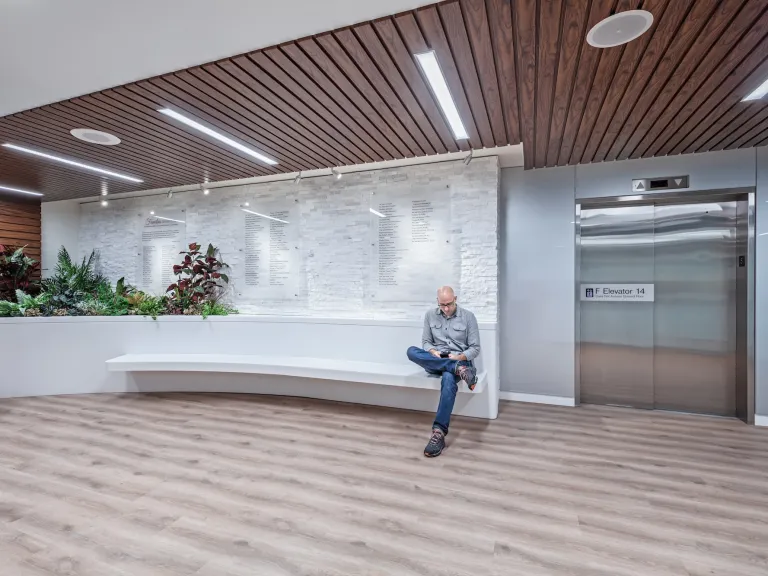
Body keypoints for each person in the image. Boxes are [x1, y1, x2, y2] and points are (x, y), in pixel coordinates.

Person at [406, 286, 480, 457]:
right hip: (437, 360)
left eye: (449, 304)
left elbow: (475, 349)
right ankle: (456, 369)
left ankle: (438, 433)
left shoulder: (468, 317)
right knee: (411, 351)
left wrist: (459, 357)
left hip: (460, 359)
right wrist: (433, 352)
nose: (446, 308)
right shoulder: (430, 315)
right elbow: (425, 342)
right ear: (437, 302)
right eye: (442, 305)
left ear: (456, 299)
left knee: (448, 378)